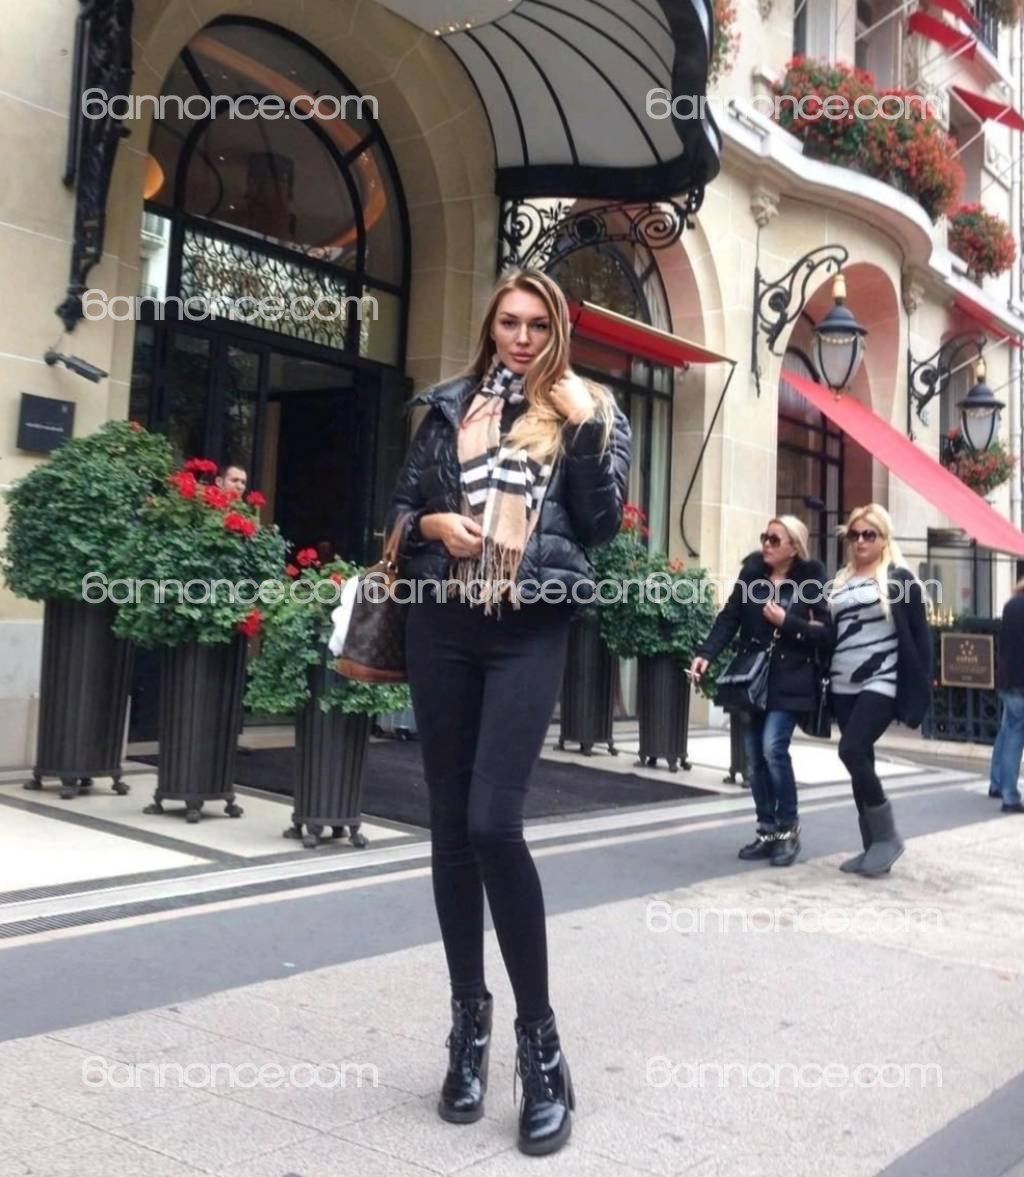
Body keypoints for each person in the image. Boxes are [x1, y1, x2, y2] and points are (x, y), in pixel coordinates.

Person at [385, 269, 631, 1156]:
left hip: (528, 626)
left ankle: (540, 1045)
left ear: (557, 330)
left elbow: (601, 526)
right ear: (490, 326)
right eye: (509, 322)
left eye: (536, 324)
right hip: (442, 623)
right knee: (451, 826)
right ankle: (468, 1028)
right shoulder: (449, 406)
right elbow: (401, 508)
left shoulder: (590, 409)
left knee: (495, 821)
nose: (521, 338)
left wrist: (588, 428)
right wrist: (433, 528)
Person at [690, 517, 830, 867]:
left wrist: (787, 622)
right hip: (752, 678)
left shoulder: (810, 580)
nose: (766, 544)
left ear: (794, 547)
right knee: (754, 757)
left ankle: (788, 829)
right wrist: (706, 654)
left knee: (772, 748)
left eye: (775, 539)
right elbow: (729, 618)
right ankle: (767, 830)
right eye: (764, 537)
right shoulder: (751, 575)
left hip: (791, 677)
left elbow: (826, 632)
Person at [827, 504, 931, 875]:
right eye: (854, 535)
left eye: (868, 534)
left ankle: (888, 838)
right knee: (862, 761)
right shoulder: (840, 580)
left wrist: (921, 687)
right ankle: (872, 846)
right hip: (841, 682)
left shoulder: (899, 579)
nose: (860, 541)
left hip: (881, 680)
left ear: (883, 539)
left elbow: (920, 638)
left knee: (851, 749)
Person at [989, 577, 1024, 813]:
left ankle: (997, 783)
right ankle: (1010, 796)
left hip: (1007, 677)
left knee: (1007, 730)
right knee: (1014, 735)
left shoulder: (1012, 604)